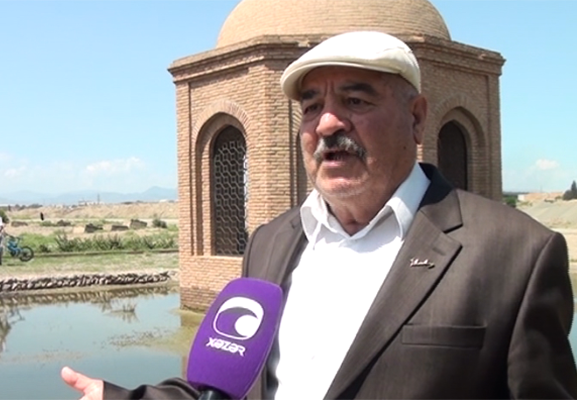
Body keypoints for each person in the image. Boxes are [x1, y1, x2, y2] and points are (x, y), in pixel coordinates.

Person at [61, 31, 577, 399]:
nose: (328, 123)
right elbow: (221, 388)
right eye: (311, 107)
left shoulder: (514, 255)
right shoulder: (270, 244)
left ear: (417, 118)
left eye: (356, 100)